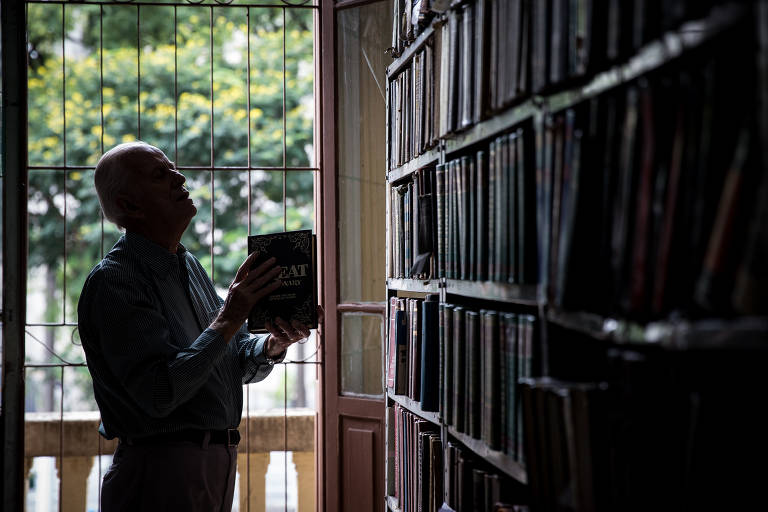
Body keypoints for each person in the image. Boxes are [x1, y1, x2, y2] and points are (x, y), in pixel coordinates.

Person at [77, 141, 318, 511]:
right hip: (160, 472)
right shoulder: (116, 282)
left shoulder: (187, 265)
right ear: (130, 205)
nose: (180, 177)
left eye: (173, 167)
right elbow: (160, 394)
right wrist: (230, 317)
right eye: (161, 174)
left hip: (215, 464)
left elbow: (230, 359)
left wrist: (271, 345)